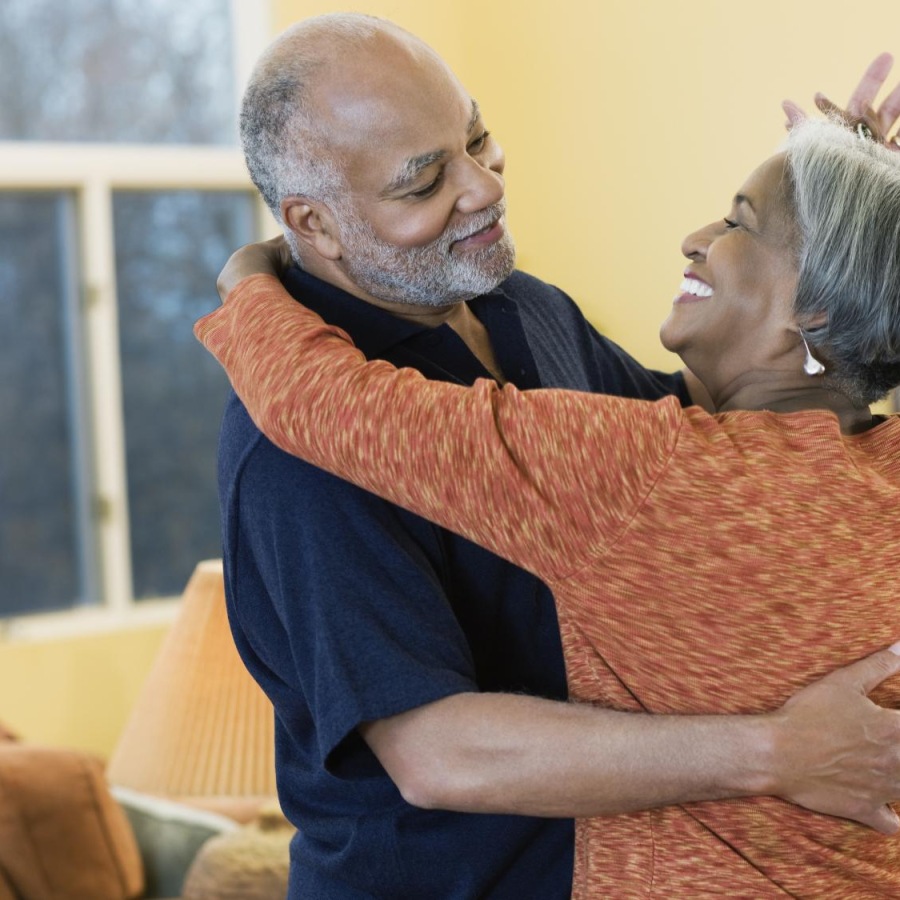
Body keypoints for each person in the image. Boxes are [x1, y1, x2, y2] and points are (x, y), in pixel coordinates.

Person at [214, 12, 900, 897]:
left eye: (478, 138)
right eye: (425, 180)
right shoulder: (293, 451)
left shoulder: (529, 317)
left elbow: (714, 438)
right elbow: (434, 756)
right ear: (319, 222)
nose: (483, 189)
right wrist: (777, 750)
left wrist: (857, 228)